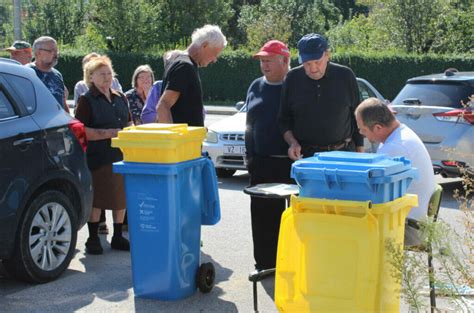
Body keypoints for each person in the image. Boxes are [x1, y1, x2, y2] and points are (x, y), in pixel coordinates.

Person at [355, 97, 436, 246]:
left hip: (409, 227)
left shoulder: (396, 147)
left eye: (363, 129)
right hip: (412, 220)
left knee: (349, 228)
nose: (361, 133)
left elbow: (375, 193)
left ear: (378, 127)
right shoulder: (400, 134)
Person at [75, 55, 131, 254]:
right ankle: (92, 239)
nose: (107, 78)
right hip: (98, 156)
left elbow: (128, 123)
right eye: (102, 74)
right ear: (91, 77)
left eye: (109, 73)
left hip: (121, 155)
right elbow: (82, 130)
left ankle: (117, 236)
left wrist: (130, 133)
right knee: (97, 198)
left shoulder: (120, 97)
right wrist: (110, 133)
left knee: (120, 197)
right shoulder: (86, 100)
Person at [245, 40, 293, 271]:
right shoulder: (255, 86)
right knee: (262, 216)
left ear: (284, 61)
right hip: (262, 163)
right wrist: (250, 158)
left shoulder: (295, 85)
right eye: (261, 61)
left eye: (268, 60)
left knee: (293, 218)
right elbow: (249, 125)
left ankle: (291, 263)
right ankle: (264, 264)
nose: (264, 65)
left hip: (292, 164)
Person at [278, 33, 362, 160]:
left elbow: (357, 116)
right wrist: (292, 143)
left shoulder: (345, 76)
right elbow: (284, 120)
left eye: (317, 62)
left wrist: (360, 153)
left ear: (327, 55)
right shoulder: (292, 78)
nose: (313, 69)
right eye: (307, 63)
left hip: (343, 154)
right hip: (306, 156)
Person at [156, 24, 227, 126]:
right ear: (205, 45)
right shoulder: (185, 67)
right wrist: (172, 139)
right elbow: (163, 105)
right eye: (215, 54)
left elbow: (167, 55)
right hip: (182, 140)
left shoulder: (180, 61)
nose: (214, 60)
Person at [27, 36, 69, 113]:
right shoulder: (27, 72)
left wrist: (68, 120)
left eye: (56, 50)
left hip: (57, 122)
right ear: (38, 52)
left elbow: (63, 101)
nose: (56, 54)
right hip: (37, 122)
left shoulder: (57, 74)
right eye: (51, 51)